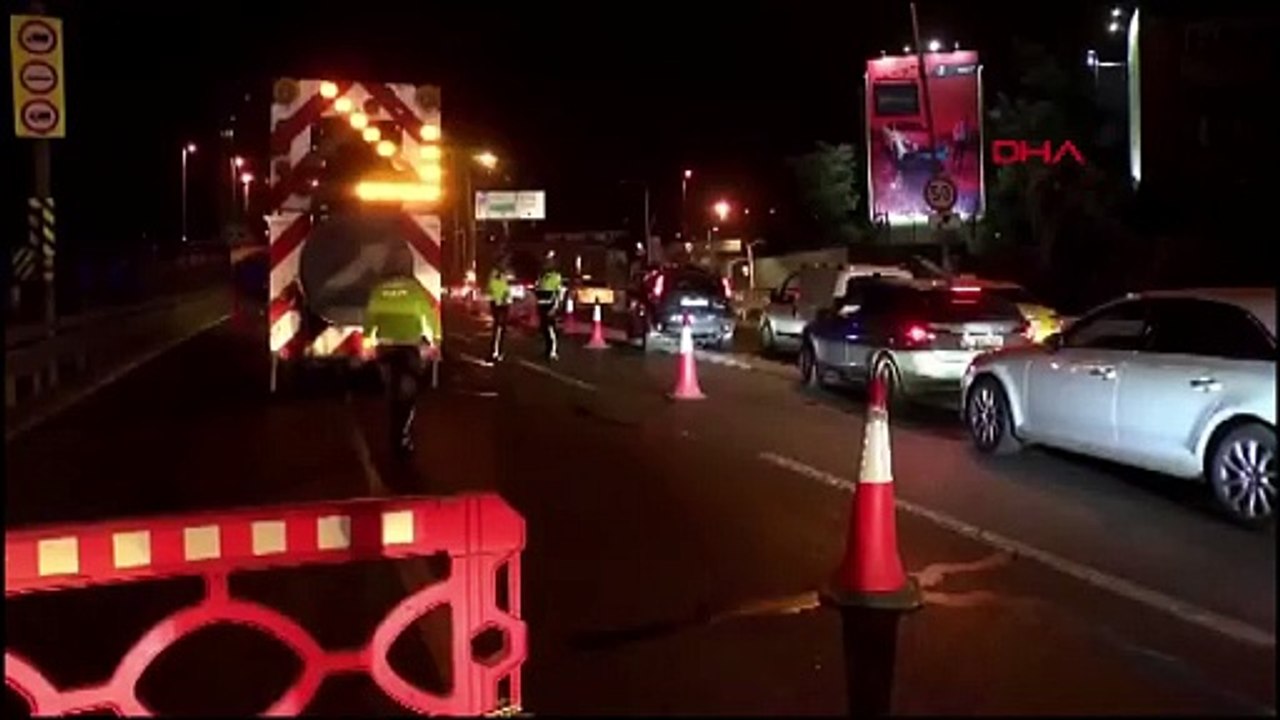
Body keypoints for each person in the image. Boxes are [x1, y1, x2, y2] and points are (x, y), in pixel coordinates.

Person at [362, 274, 440, 457]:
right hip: (409, 348)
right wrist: (435, 341)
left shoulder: (379, 291)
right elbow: (429, 317)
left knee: (392, 392)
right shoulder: (415, 291)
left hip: (385, 348)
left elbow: (370, 319)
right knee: (409, 394)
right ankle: (402, 437)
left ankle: (394, 427)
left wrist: (368, 344)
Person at [533, 257, 566, 360]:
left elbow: (559, 292)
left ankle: (552, 351)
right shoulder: (542, 276)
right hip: (542, 305)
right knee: (544, 329)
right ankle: (547, 350)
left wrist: (555, 307)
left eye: (548, 263)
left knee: (550, 328)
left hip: (550, 305)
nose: (546, 265)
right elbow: (537, 289)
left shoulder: (556, 277)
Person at [486, 260, 513, 361]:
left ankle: (498, 351)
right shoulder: (496, 274)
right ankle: (495, 352)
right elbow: (491, 288)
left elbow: (505, 288)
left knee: (500, 328)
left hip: (502, 303)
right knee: (498, 328)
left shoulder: (503, 274)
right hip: (499, 303)